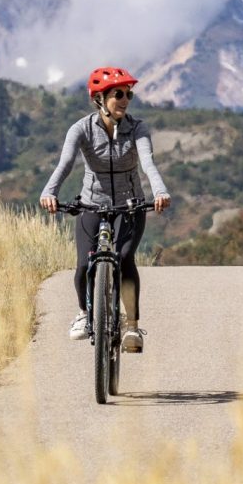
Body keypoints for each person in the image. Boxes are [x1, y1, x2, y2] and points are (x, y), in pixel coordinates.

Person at [41, 66, 171, 352]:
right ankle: (84, 314)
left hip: (130, 205)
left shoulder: (137, 128)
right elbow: (65, 164)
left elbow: (148, 163)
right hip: (91, 203)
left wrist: (159, 191)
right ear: (99, 99)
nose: (125, 99)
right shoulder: (81, 129)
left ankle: (132, 327)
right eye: (118, 94)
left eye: (129, 94)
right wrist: (50, 191)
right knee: (84, 264)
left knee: (124, 257)